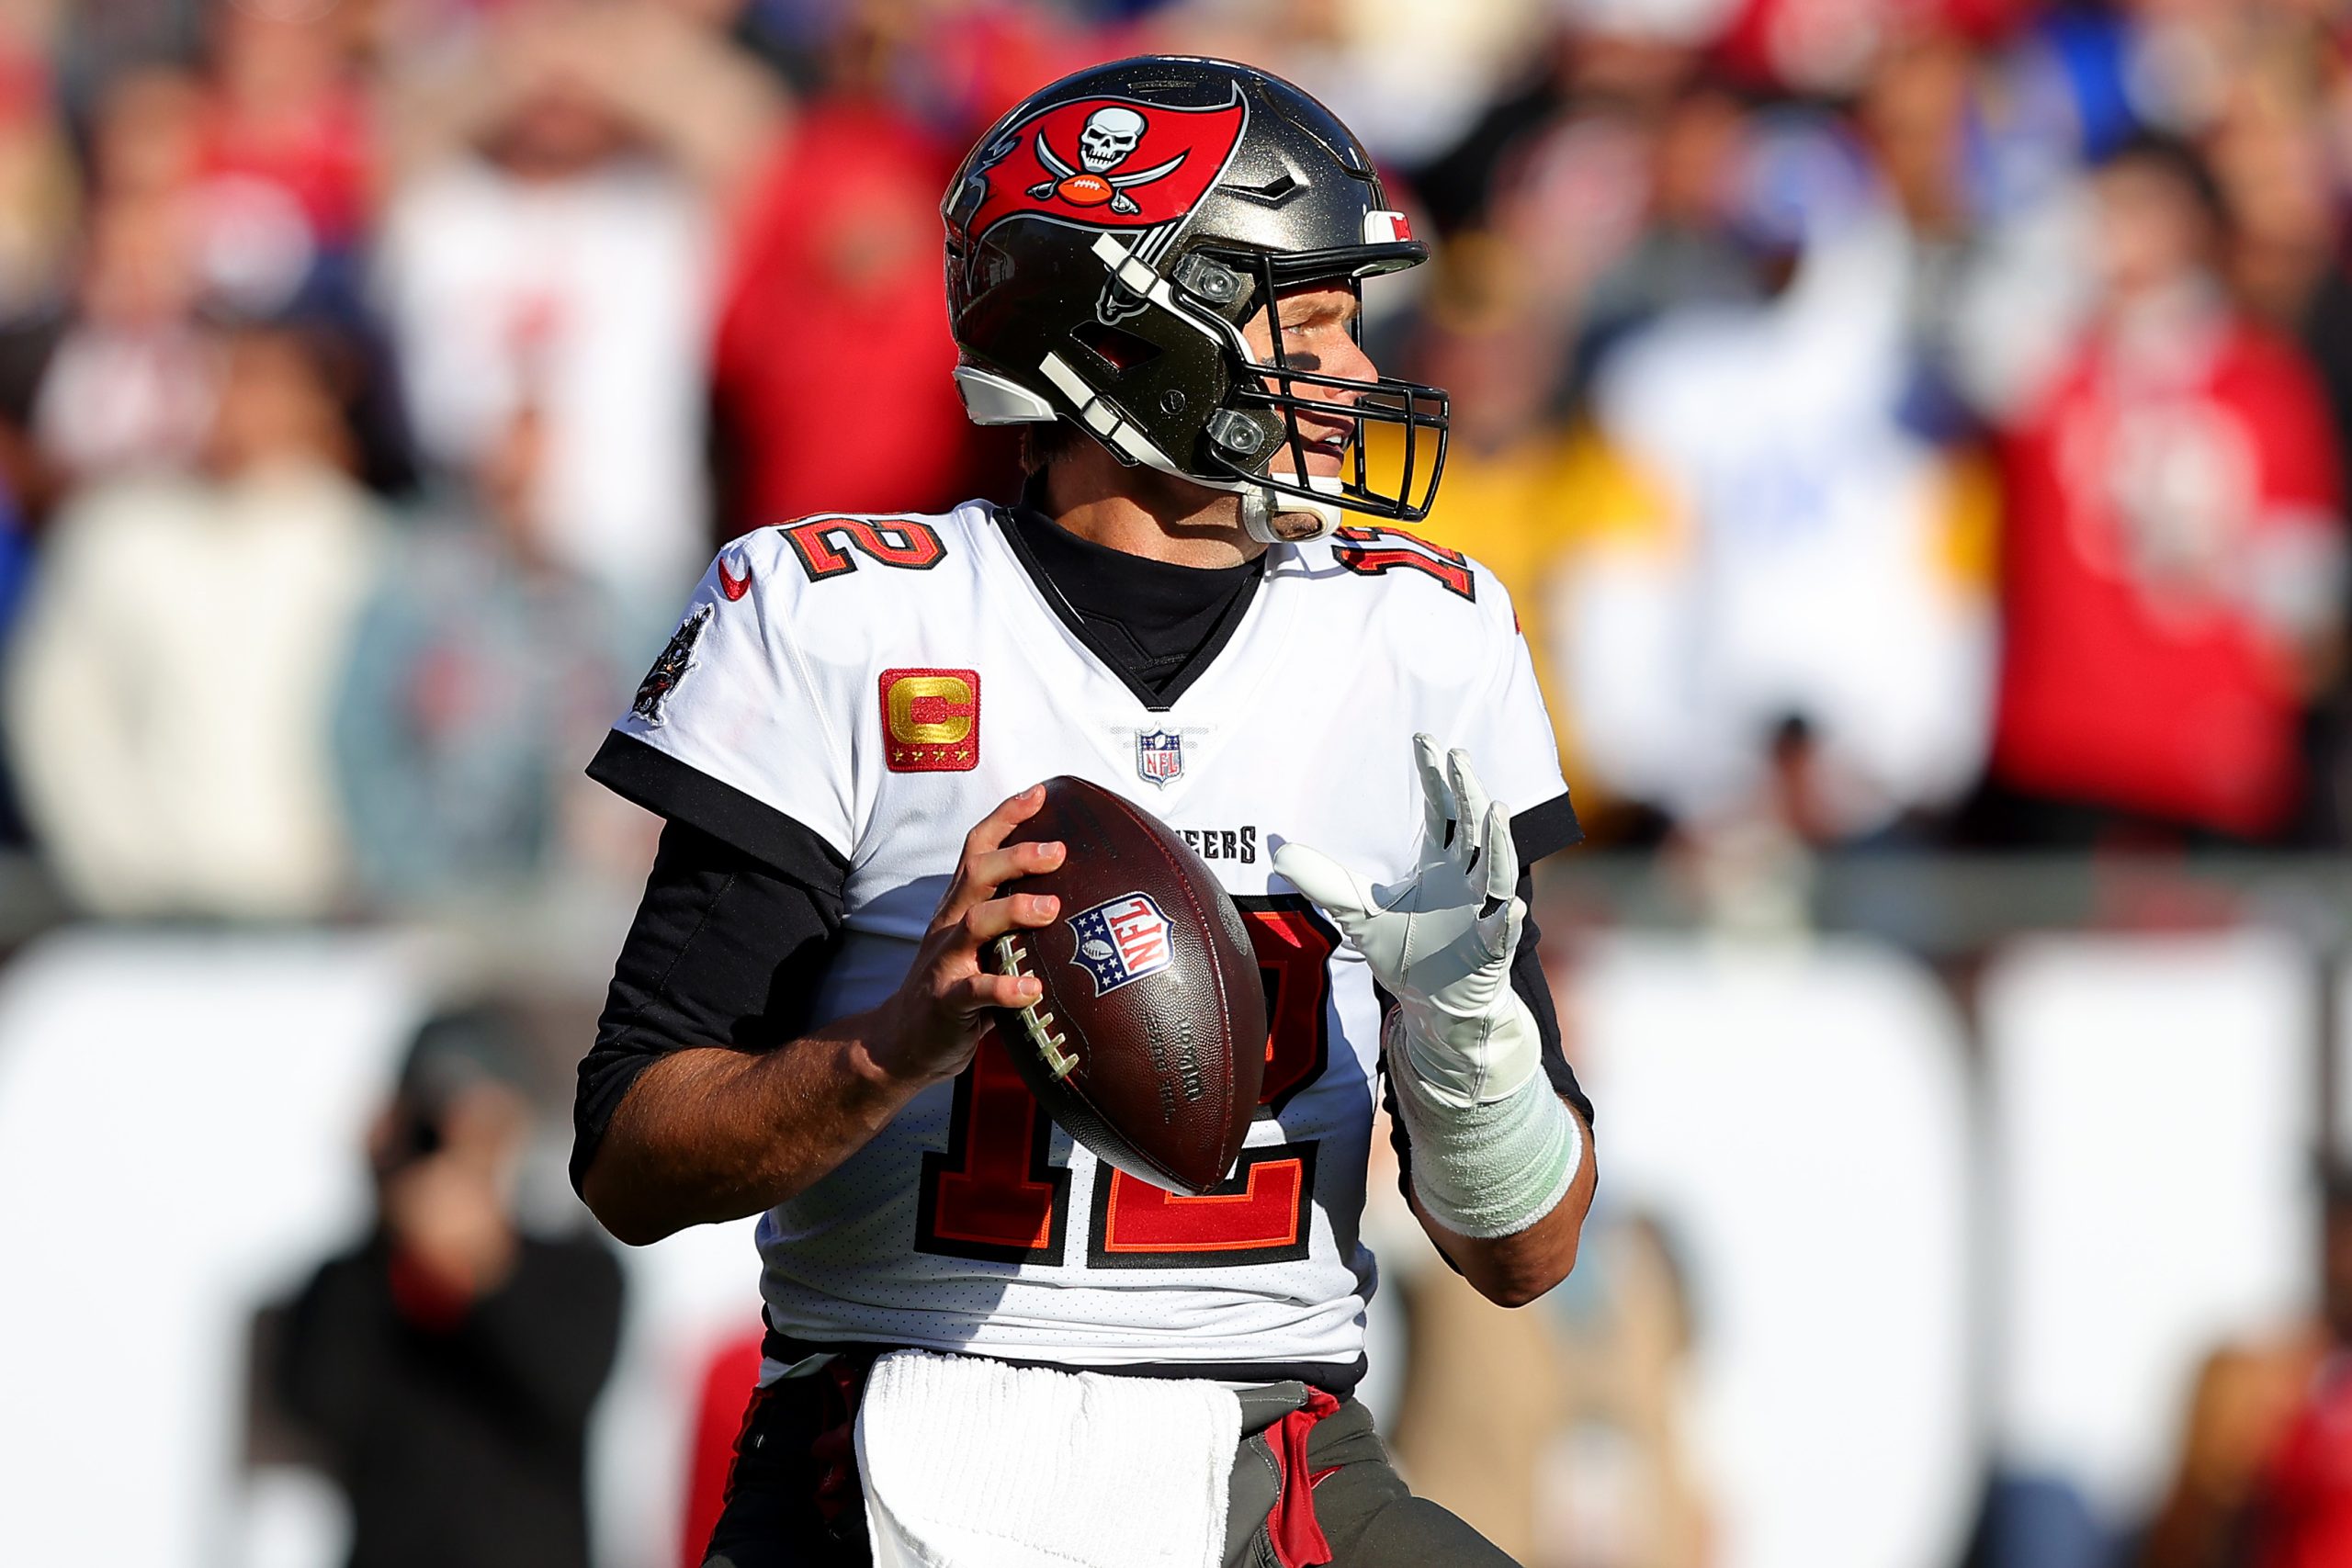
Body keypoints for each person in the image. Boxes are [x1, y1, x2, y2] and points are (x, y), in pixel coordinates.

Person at [573, 57, 1597, 1568]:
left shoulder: (1419, 643)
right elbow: (630, 1158)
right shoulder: (840, 620)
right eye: (1302, 315)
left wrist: (1464, 1023)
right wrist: (888, 1044)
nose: (1356, 367)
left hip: (1274, 1446)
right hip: (894, 1429)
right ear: (1129, 331)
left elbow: (1526, 1254)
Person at [277, 1005, 626, 1568]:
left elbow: (565, 1387)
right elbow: (318, 1402)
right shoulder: (356, 1278)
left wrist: (485, 1271)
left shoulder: (577, 1268)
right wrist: (384, 1217)